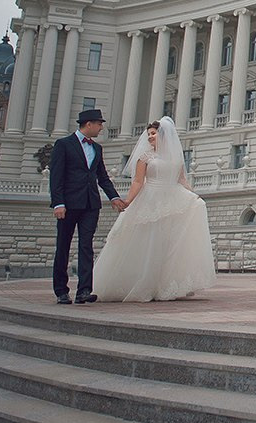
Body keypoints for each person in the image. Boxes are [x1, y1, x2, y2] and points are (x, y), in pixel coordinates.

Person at [93, 116, 216, 302]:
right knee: (148, 241)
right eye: (148, 134)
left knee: (170, 243)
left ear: (164, 134)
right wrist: (128, 201)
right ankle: (140, 282)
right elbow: (137, 182)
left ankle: (166, 284)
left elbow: (181, 179)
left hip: (173, 198)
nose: (150, 137)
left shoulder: (176, 157)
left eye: (153, 133)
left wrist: (194, 195)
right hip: (150, 198)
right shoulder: (145, 157)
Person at [50, 108, 125, 305]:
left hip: (90, 204)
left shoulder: (97, 149)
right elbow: (56, 177)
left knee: (86, 246)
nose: (101, 128)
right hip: (68, 204)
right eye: (99, 124)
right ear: (88, 124)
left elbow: (103, 177)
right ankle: (61, 291)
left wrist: (114, 197)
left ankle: (84, 290)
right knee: (63, 247)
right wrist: (58, 202)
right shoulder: (64, 145)